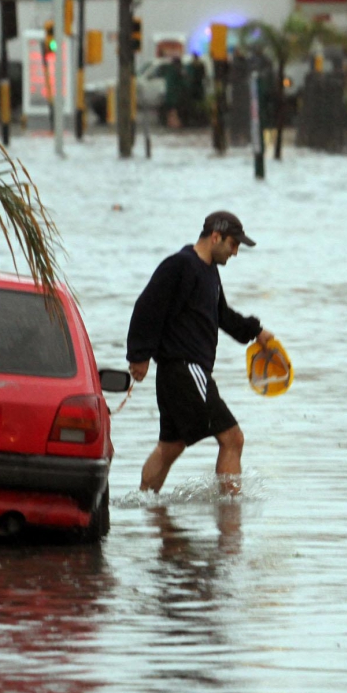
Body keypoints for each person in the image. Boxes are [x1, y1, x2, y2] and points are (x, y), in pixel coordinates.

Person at [127, 211, 274, 495]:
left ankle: (145, 503)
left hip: (178, 373)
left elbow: (223, 316)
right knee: (233, 438)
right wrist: (139, 355)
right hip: (185, 369)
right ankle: (231, 518)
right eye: (233, 244)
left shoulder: (210, 273)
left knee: (171, 446)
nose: (235, 252)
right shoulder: (180, 265)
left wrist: (256, 331)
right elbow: (147, 307)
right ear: (215, 237)